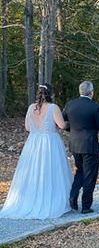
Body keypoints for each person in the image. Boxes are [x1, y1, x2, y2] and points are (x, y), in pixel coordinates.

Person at [0, 83, 73, 219]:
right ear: (50, 94)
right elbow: (62, 125)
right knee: (50, 170)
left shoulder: (30, 108)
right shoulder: (53, 107)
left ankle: (30, 199)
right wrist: (72, 122)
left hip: (33, 142)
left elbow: (28, 127)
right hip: (49, 142)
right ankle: (50, 200)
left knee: (32, 171)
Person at [63, 81, 99, 214]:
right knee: (90, 175)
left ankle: (73, 196)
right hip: (90, 145)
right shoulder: (95, 107)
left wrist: (73, 130)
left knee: (80, 171)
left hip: (75, 145)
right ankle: (86, 206)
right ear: (91, 93)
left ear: (80, 92)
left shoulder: (70, 105)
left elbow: (64, 123)